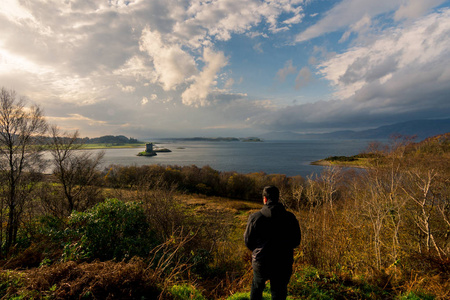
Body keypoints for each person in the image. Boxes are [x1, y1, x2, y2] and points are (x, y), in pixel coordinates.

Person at [244, 186, 301, 300]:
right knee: (279, 292)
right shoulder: (290, 217)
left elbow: (248, 241)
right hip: (283, 262)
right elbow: (296, 241)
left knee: (257, 287)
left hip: (261, 262)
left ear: (265, 199)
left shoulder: (255, 217)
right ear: (278, 198)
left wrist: (258, 250)